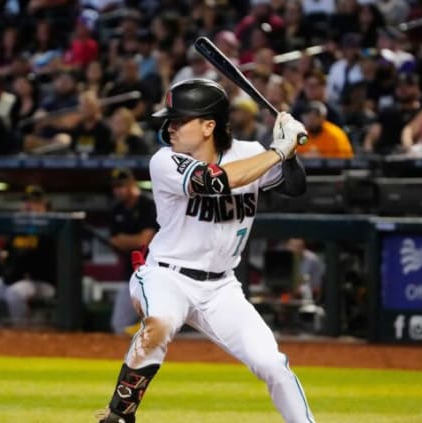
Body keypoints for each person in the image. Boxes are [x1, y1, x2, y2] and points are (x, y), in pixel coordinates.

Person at [96, 78, 314, 423]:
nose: (169, 128)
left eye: (179, 120)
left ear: (209, 125)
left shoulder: (250, 153)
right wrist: (277, 151)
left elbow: (295, 186)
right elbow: (214, 181)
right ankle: (119, 415)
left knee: (271, 362)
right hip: (166, 275)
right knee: (161, 322)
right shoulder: (165, 161)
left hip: (221, 288)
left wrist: (291, 150)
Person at [0, 185, 57, 327]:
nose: (30, 206)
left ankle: (21, 333)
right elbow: (8, 253)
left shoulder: (52, 227)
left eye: (35, 203)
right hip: (13, 280)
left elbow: (41, 259)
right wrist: (1, 254)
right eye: (28, 202)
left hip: (41, 282)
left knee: (14, 293)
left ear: (44, 205)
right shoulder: (18, 228)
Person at [107, 168, 157, 335]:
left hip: (154, 273)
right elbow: (113, 241)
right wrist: (133, 241)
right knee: (118, 325)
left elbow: (144, 241)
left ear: (132, 184)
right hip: (130, 273)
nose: (118, 190)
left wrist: (124, 240)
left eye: (122, 185)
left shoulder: (148, 204)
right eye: (115, 186)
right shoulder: (116, 209)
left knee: (158, 323)